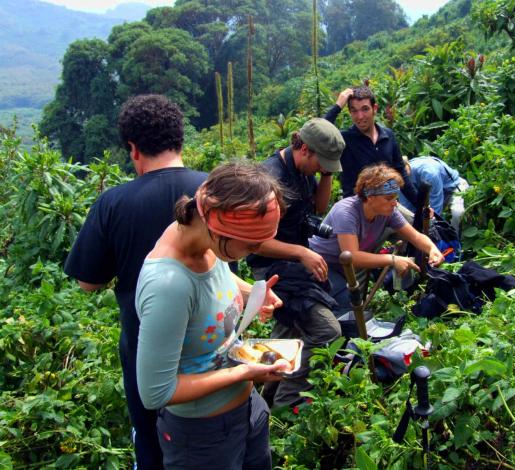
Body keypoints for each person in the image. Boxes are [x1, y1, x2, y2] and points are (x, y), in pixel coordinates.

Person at [63, 94, 207, 469]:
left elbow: (88, 283)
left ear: (132, 148)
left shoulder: (114, 202)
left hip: (144, 343)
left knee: (152, 438)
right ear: (180, 139)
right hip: (212, 335)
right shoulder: (212, 191)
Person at [135, 162, 286, 468]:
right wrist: (245, 372)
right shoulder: (169, 285)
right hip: (203, 437)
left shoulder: (202, 239)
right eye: (252, 243)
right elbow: (156, 393)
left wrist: (252, 293)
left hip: (247, 411)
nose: (257, 250)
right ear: (218, 228)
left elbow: (217, 279)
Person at [247, 118, 345, 408]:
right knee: (327, 331)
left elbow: (318, 207)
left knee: (285, 338)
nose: (320, 167)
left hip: (294, 263)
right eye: (320, 162)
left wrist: (326, 173)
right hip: (272, 267)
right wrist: (301, 253)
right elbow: (253, 241)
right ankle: (286, 406)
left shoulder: (303, 169)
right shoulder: (269, 178)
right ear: (303, 148)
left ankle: (263, 404)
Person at [309, 164, 445, 313]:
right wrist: (392, 259)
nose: (394, 203)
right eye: (388, 198)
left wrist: (432, 249)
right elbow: (352, 256)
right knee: (346, 308)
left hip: (345, 269)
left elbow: (415, 236)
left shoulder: (389, 211)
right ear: (369, 197)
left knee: (354, 307)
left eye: (395, 197)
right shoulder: (346, 212)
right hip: (321, 265)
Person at [323, 85, 418, 206]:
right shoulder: (345, 139)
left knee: (423, 222)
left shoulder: (388, 136)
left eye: (365, 109)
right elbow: (318, 134)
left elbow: (401, 172)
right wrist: (337, 106)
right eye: (354, 110)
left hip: (387, 207)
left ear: (375, 108)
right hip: (357, 210)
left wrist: (421, 205)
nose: (360, 116)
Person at [399, 156, 469, 232]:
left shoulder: (429, 172)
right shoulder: (400, 179)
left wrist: (429, 228)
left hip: (453, 189)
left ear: (407, 164)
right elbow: (408, 209)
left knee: (457, 213)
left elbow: (435, 207)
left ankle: (454, 239)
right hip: (429, 194)